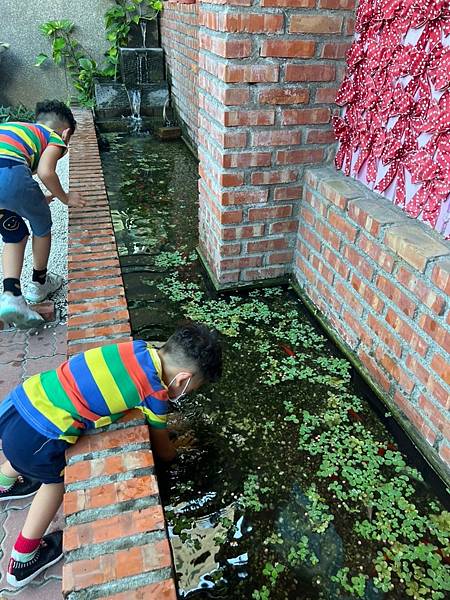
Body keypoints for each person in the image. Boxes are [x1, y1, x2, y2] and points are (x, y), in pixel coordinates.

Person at [0, 322, 222, 588]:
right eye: (191, 389)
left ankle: (4, 484)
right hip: (40, 436)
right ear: (183, 379)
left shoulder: (138, 349)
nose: (185, 393)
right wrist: (182, 447)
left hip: (20, 403)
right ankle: (22, 561)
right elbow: (163, 451)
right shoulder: (156, 392)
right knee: (55, 484)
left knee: (23, 452)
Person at [0, 99, 85, 328]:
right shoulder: (54, 137)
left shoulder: (18, 130)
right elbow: (46, 172)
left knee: (14, 234)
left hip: (8, 177)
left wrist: (39, 197)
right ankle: (39, 283)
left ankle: (11, 294)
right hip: (8, 174)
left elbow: (23, 175)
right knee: (42, 224)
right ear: (66, 133)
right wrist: (65, 198)